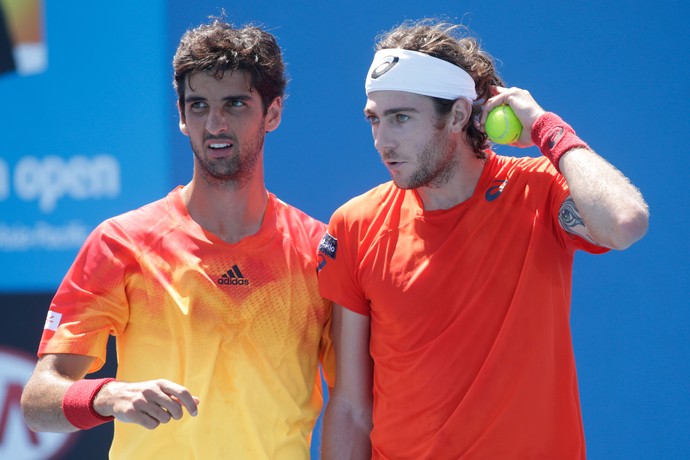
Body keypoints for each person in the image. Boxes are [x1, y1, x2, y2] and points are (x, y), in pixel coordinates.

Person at [317, 18, 649, 459]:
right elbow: (351, 407)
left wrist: (549, 132)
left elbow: (624, 222)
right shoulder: (354, 224)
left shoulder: (540, 191)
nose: (383, 141)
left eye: (401, 118)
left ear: (456, 114)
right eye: (375, 120)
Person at [20, 18, 334, 459]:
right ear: (182, 117)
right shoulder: (121, 243)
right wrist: (107, 396)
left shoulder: (318, 252)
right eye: (199, 106)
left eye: (235, 104)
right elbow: (37, 401)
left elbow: (356, 403)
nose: (215, 123)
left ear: (273, 112)